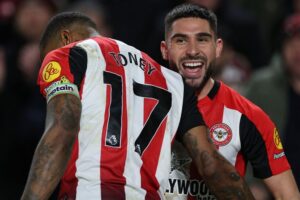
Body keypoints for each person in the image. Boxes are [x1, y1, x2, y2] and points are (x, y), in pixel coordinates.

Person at [21, 12, 255, 200]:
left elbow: (65, 125)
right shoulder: (174, 82)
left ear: (65, 38)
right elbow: (212, 165)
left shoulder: (68, 54)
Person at [160, 4, 300, 200]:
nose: (192, 50)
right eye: (181, 40)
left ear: (218, 48)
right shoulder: (138, 104)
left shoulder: (248, 116)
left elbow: (288, 195)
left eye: (202, 39)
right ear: (165, 50)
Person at [246, 13, 300, 190]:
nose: (297, 50)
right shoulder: (261, 86)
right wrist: (252, 186)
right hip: (269, 187)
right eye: (291, 42)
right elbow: (244, 141)